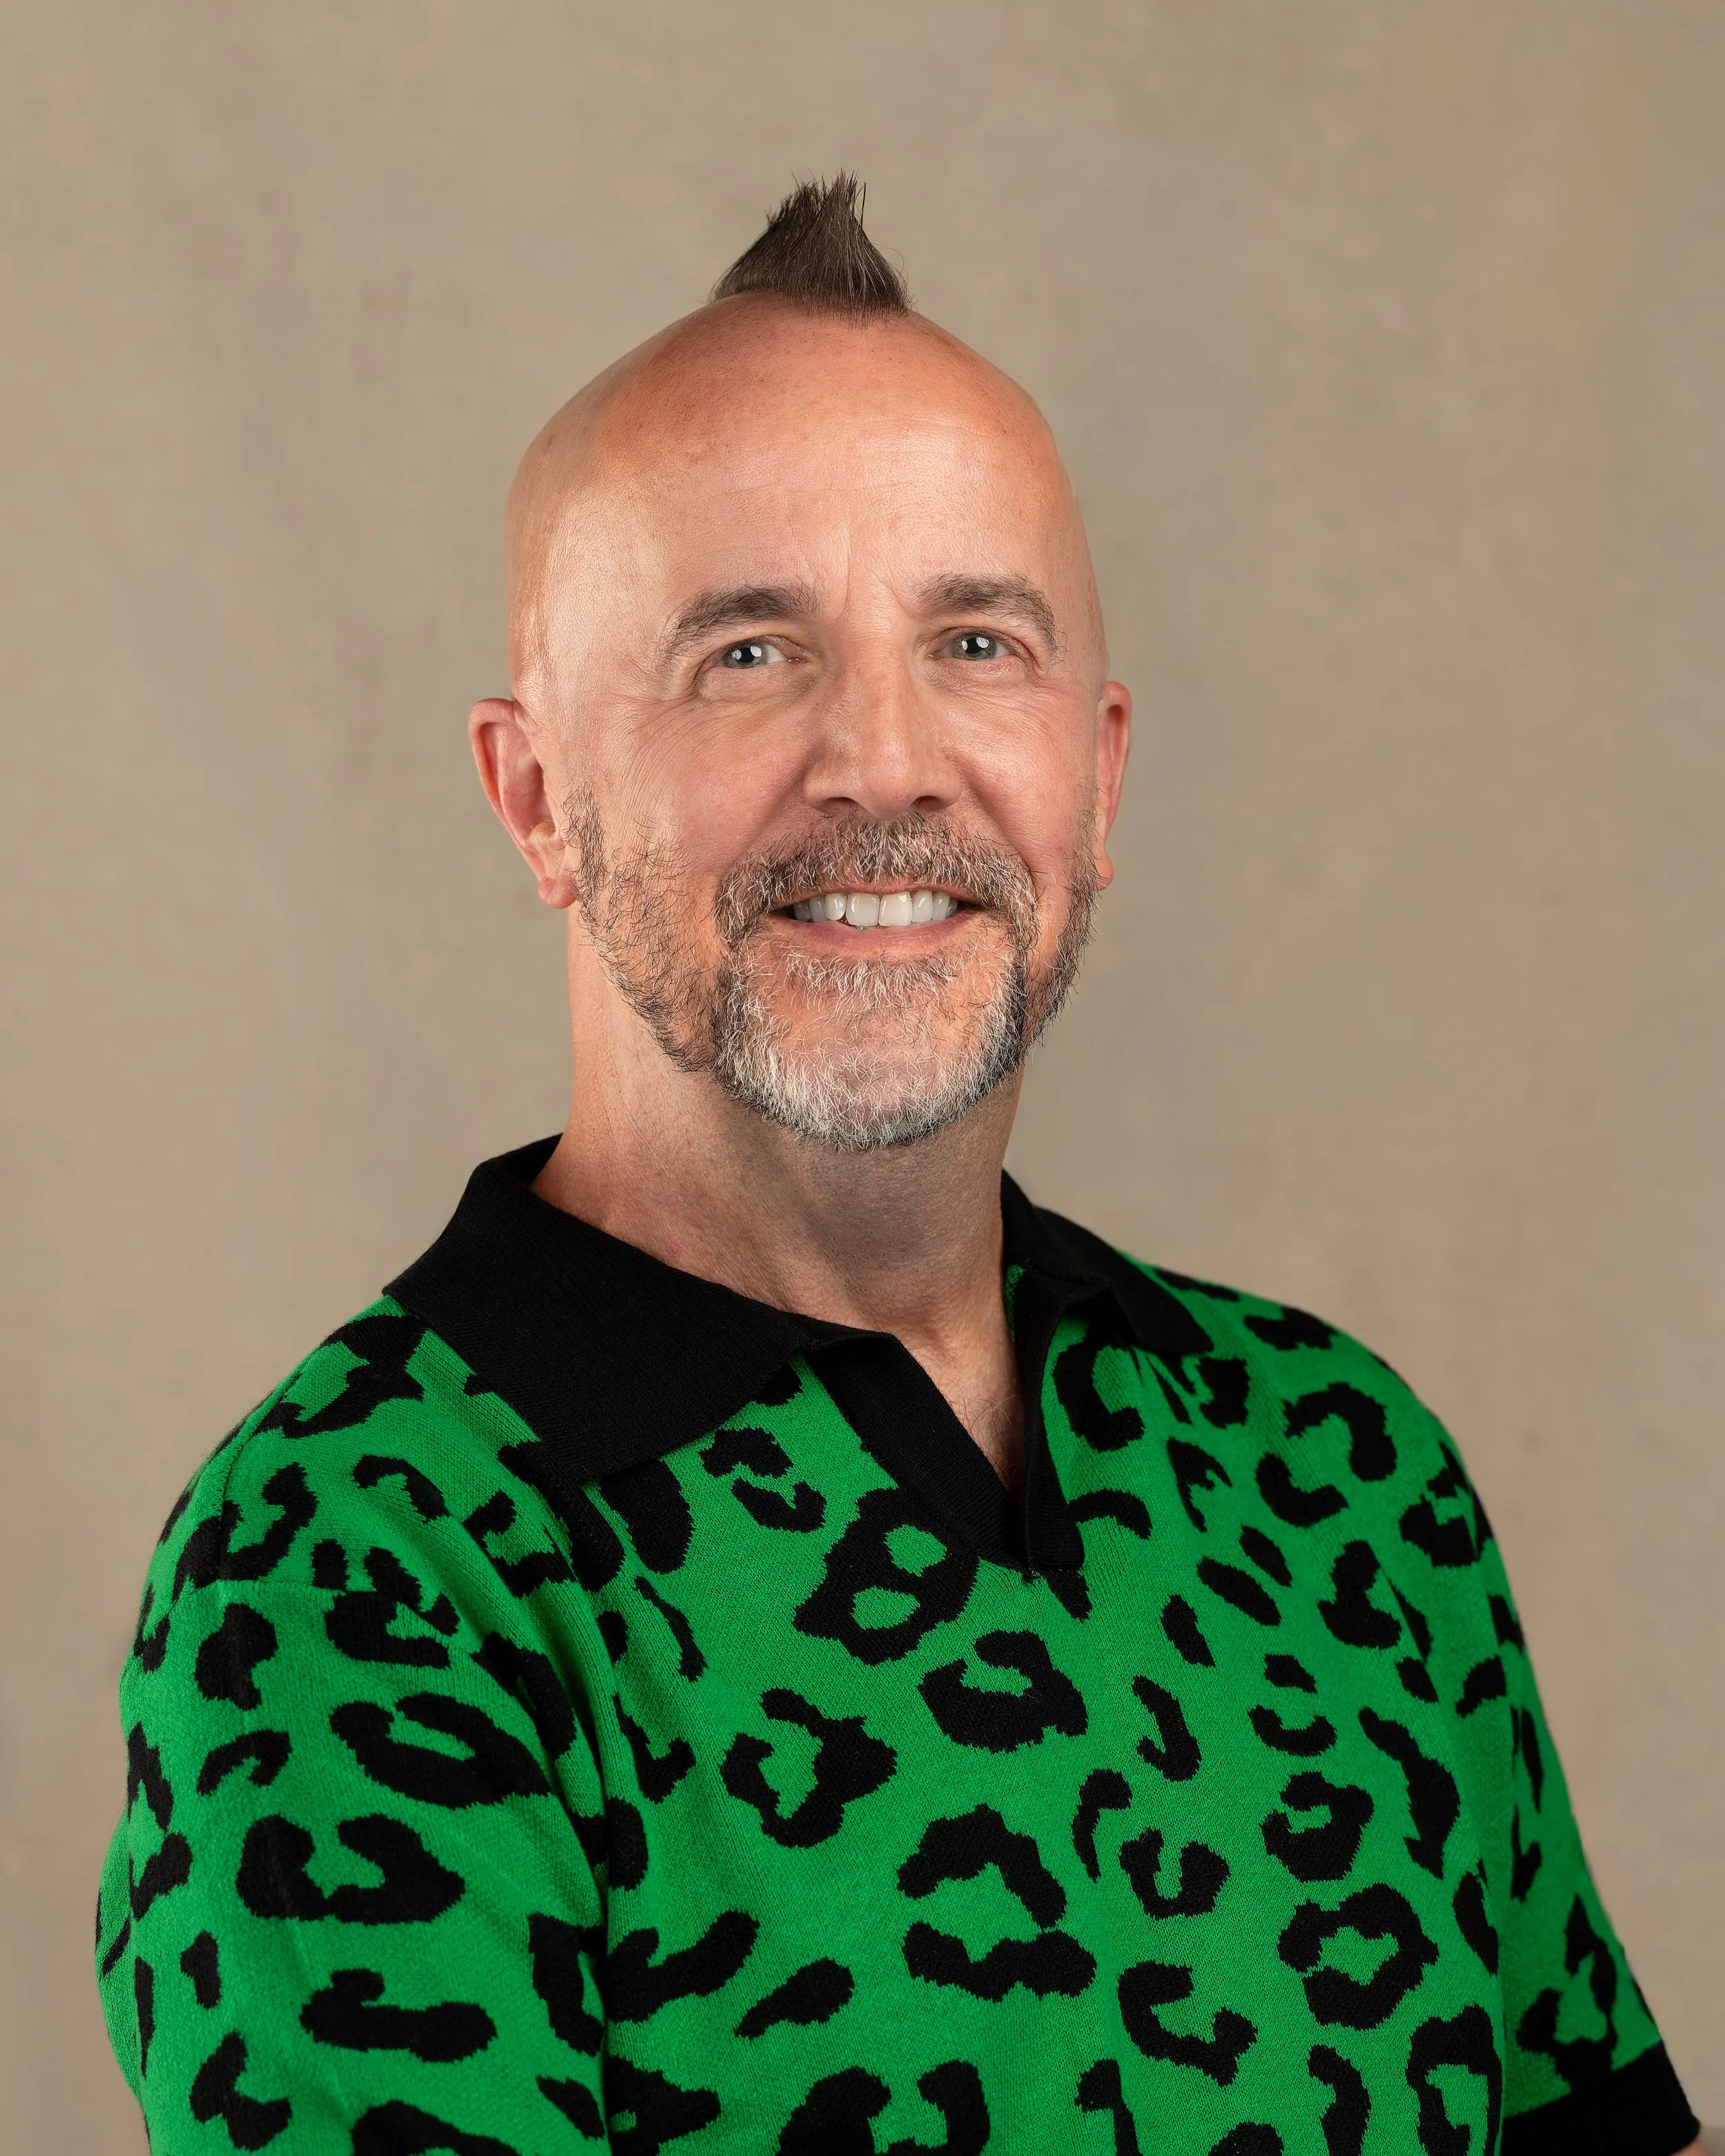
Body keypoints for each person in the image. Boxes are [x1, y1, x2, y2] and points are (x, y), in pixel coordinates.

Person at [97, 176, 1700, 2156]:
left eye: (974, 640)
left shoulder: (1338, 1462)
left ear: (1093, 779)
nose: (883, 760)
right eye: (748, 652)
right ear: (537, 797)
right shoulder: (360, 1568)